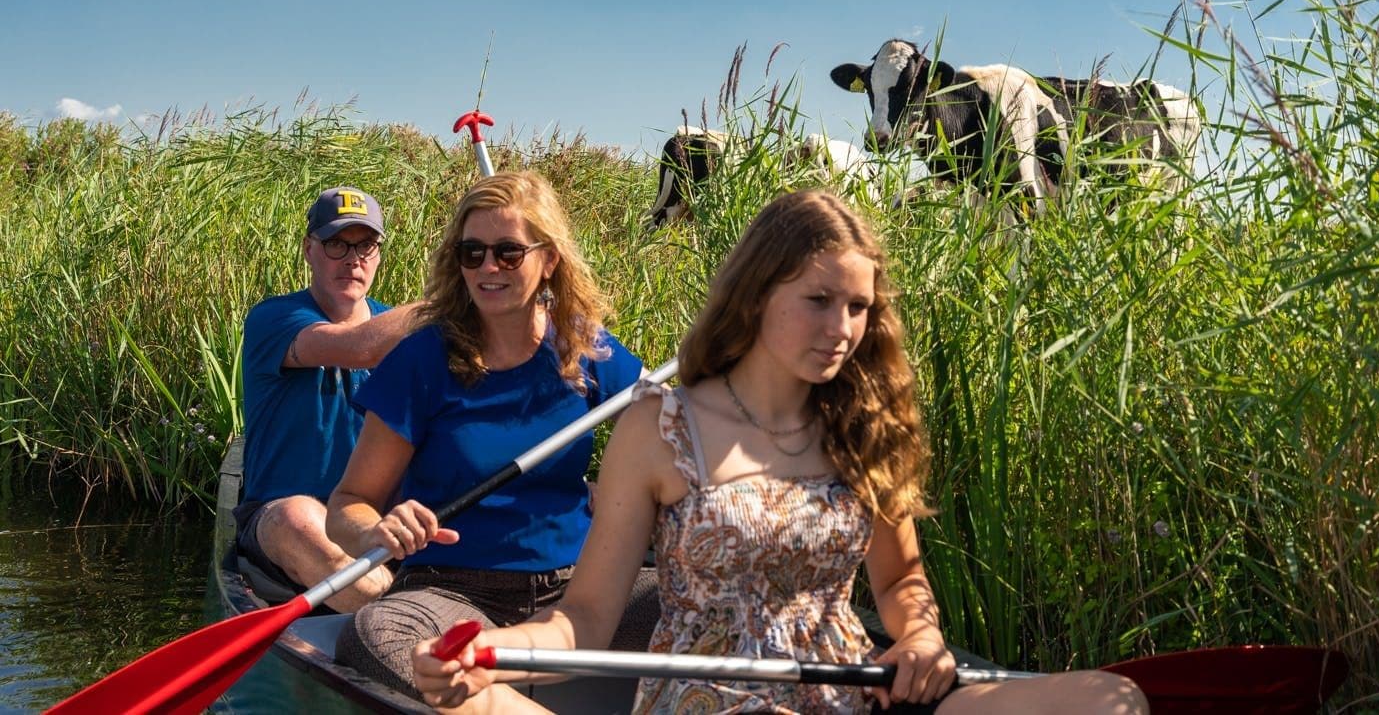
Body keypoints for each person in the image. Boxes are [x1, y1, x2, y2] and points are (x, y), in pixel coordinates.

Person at [410, 189, 1149, 714]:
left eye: (859, 307)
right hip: (714, 697)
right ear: (759, 293)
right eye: (819, 300)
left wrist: (921, 636)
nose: (843, 327)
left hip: (852, 689)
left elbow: (901, 584)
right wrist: (491, 652)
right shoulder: (659, 427)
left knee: (1111, 698)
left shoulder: (863, 423)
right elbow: (587, 620)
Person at [326, 171, 659, 702]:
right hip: (450, 593)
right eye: (472, 252)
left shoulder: (587, 350)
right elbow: (346, 506)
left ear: (548, 259)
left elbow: (676, 433)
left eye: (508, 252)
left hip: (578, 590)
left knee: (711, 601)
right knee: (376, 636)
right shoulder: (422, 359)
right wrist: (377, 531)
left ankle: (496, 672)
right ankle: (496, 675)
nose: (487, 268)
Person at [237, 185, 425, 612]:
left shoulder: (400, 326)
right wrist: (457, 300)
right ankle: (405, 619)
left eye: (366, 245)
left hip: (374, 519)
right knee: (298, 520)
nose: (353, 259)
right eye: (337, 244)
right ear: (309, 249)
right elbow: (361, 347)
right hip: (285, 515)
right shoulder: (274, 318)